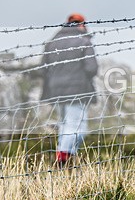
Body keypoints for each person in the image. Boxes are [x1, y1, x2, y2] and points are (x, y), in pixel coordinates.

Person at [41, 13, 98, 168]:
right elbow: (92, 68)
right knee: (77, 127)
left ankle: (64, 157)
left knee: (64, 125)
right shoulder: (83, 42)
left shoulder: (52, 43)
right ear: (81, 25)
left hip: (55, 90)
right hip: (77, 89)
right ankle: (64, 158)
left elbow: (43, 69)